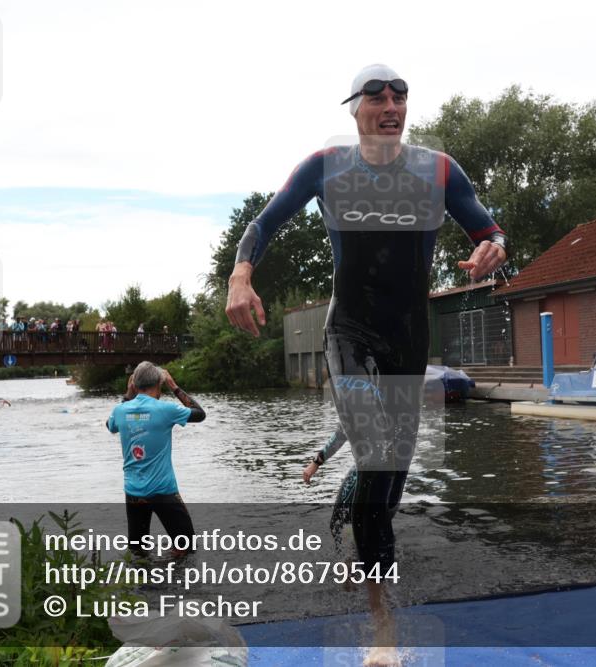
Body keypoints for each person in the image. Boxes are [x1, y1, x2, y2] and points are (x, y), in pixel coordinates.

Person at [226, 64, 507, 664]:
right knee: (375, 455)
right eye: (376, 96)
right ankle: (383, 629)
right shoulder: (326, 166)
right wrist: (240, 275)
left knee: (390, 478)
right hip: (348, 330)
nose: (390, 104)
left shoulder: (439, 169)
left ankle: (366, 549)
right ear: (355, 109)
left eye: (399, 96)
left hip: (408, 336)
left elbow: (488, 229)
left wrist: (494, 249)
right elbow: (263, 223)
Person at [105, 362, 206, 559]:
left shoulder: (120, 410)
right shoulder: (166, 410)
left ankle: (143, 578)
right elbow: (200, 414)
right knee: (187, 548)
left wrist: (128, 395)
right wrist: (174, 386)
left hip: (133, 492)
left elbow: (110, 426)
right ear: (159, 384)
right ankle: (175, 574)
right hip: (163, 491)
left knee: (137, 552)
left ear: (134, 384)